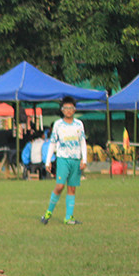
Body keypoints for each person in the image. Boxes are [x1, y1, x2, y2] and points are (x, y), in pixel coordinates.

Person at [42, 97, 87, 226]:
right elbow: (52, 143)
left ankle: (68, 217)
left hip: (75, 160)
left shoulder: (79, 124)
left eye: (70, 108)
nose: (68, 110)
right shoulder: (58, 125)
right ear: (62, 110)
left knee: (72, 188)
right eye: (66, 108)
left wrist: (84, 159)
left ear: (74, 109)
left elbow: (82, 142)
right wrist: (48, 161)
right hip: (63, 159)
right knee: (60, 186)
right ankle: (48, 212)